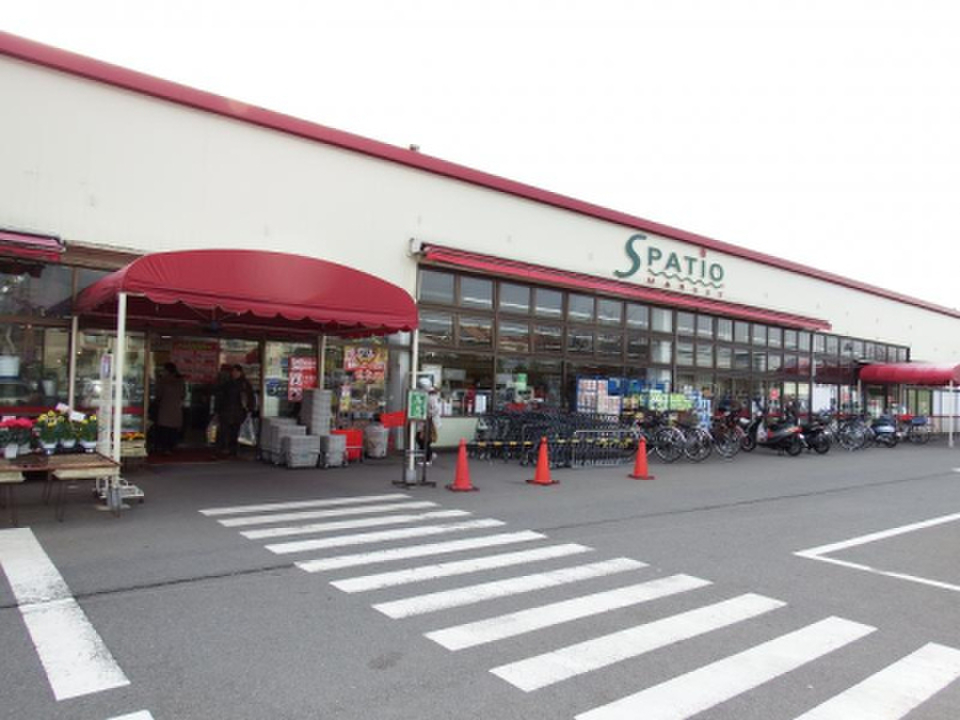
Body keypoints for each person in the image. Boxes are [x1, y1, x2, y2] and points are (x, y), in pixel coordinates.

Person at [216, 364, 256, 457]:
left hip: (238, 411)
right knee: (225, 431)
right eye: (233, 371)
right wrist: (218, 410)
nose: (234, 373)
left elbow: (250, 398)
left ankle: (233, 449)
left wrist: (250, 409)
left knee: (235, 431)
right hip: (227, 411)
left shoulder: (244, 384)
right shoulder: (227, 384)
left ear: (240, 372)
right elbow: (221, 397)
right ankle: (226, 448)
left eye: (236, 371)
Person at [154, 362, 186, 455]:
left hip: (165, 407)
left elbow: (158, 394)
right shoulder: (180, 380)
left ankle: (165, 447)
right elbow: (183, 395)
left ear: (167, 370)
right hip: (176, 408)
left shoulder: (163, 380)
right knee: (173, 429)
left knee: (164, 429)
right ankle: (171, 446)